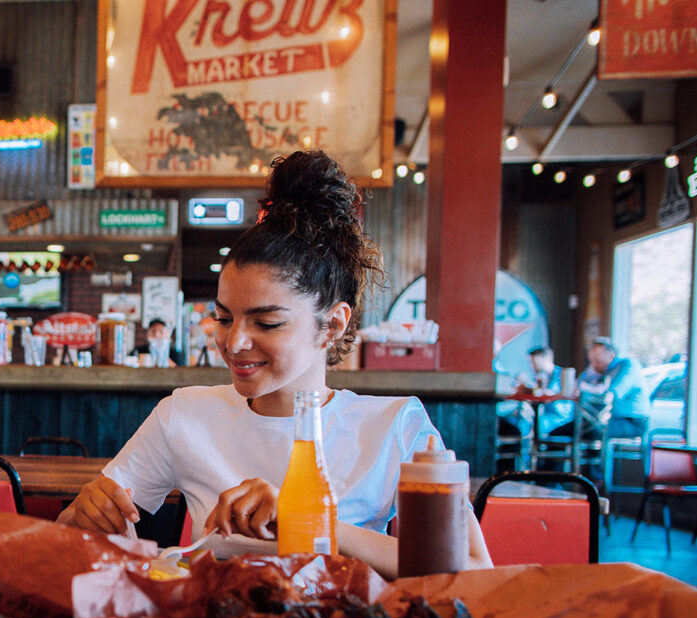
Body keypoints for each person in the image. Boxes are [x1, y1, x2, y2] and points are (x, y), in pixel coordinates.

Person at [56, 151, 491, 580]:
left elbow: (474, 571)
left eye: (267, 322)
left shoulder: (395, 427)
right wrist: (85, 519)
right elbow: (74, 536)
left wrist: (309, 523)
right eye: (224, 318)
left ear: (332, 325)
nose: (234, 342)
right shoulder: (184, 415)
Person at [577, 338, 650, 441]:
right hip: (609, 419)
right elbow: (579, 385)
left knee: (588, 432)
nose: (594, 364)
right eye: (592, 361)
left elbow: (612, 393)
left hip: (632, 421)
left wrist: (587, 387)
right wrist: (590, 374)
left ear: (611, 354)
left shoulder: (628, 366)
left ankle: (594, 457)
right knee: (566, 429)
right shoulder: (600, 369)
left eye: (598, 360)